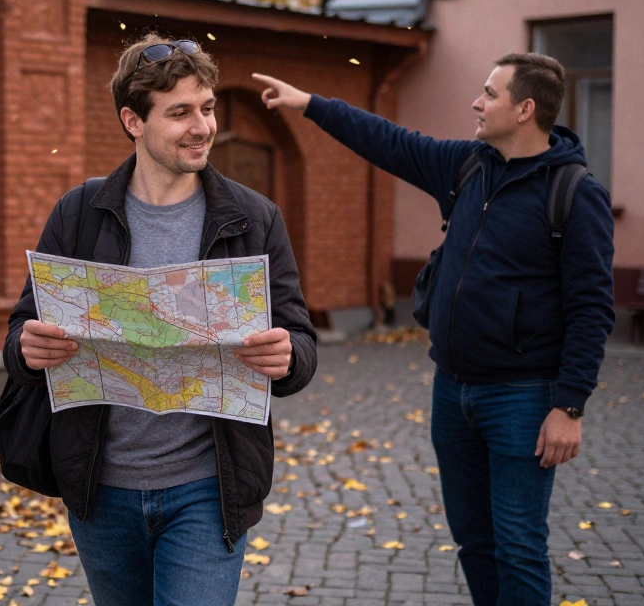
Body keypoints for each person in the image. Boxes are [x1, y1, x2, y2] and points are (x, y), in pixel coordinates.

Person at [253, 55, 615, 605]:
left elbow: (593, 306)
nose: (476, 102)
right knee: (474, 541)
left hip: (522, 397)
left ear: (525, 109)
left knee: (518, 543)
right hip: (453, 390)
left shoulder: (574, 193)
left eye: (489, 94)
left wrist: (569, 406)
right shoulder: (468, 167)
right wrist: (309, 104)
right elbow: (389, 141)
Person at [4, 34, 318, 606]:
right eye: (180, 112)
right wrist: (27, 349)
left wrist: (289, 355)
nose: (202, 126)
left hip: (207, 488)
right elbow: (22, 329)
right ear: (133, 121)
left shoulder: (252, 218)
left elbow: (300, 339)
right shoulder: (80, 213)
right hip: (102, 488)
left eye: (208, 107)